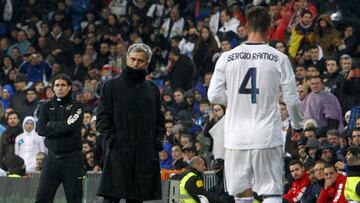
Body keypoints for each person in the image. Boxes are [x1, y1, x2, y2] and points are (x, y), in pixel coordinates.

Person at [208, 6, 303, 203]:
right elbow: (292, 100)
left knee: (241, 192)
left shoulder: (227, 57)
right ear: (269, 29)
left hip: (236, 136)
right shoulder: (280, 58)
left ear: (245, 26)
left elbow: (214, 95)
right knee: (271, 192)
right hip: (267, 135)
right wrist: (298, 125)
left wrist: (234, 98)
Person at [96, 43, 165, 203]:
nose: (135, 63)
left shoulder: (152, 88)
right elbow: (102, 116)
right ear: (127, 59)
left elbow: (160, 118)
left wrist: (156, 139)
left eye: (140, 60)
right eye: (132, 59)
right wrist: (111, 139)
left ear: (146, 63)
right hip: (118, 150)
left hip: (144, 152)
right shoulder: (111, 86)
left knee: (136, 198)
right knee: (111, 198)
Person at [35, 73, 84, 203]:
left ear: (69, 88)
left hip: (72, 159)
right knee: (41, 199)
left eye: (63, 85)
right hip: (51, 159)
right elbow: (40, 130)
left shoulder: (77, 106)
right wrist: (64, 126)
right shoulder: (45, 106)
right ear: (53, 88)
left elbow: (73, 126)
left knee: (75, 199)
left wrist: (51, 125)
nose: (60, 88)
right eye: (57, 85)